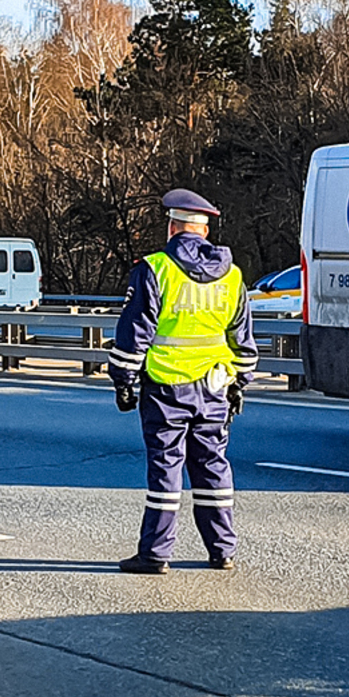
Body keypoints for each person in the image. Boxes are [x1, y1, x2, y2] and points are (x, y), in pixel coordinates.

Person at [108, 189, 258, 574]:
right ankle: (222, 550)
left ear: (173, 228)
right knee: (213, 468)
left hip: (166, 387)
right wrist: (241, 380)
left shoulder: (155, 269)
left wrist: (123, 379)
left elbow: (135, 332)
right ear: (204, 231)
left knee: (166, 471)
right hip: (214, 388)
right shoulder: (232, 274)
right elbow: (241, 338)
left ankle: (156, 554)